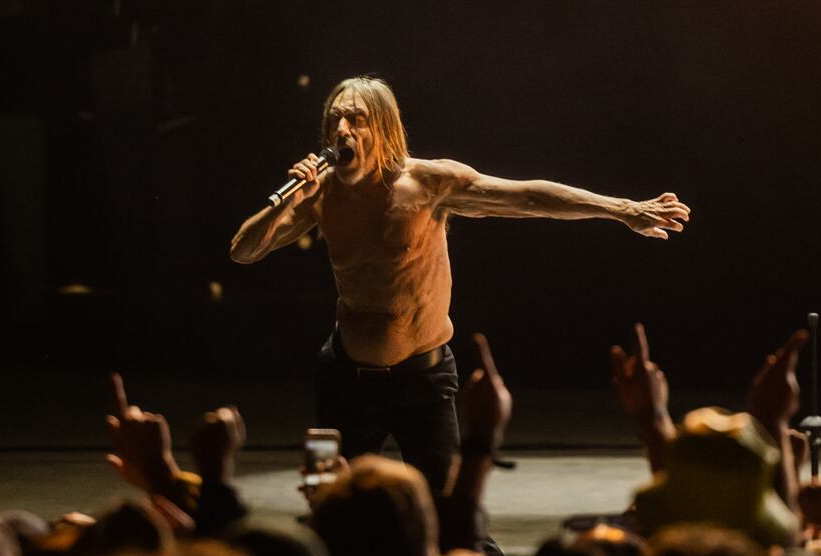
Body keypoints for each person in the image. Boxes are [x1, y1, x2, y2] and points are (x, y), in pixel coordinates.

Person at [231, 76, 691, 492]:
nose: (343, 130)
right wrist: (283, 204)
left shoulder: (428, 183)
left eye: (357, 119)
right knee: (329, 502)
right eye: (335, 120)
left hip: (422, 379)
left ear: (385, 127)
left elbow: (528, 196)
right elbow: (243, 251)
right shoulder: (322, 193)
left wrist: (625, 209)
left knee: (451, 509)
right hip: (345, 379)